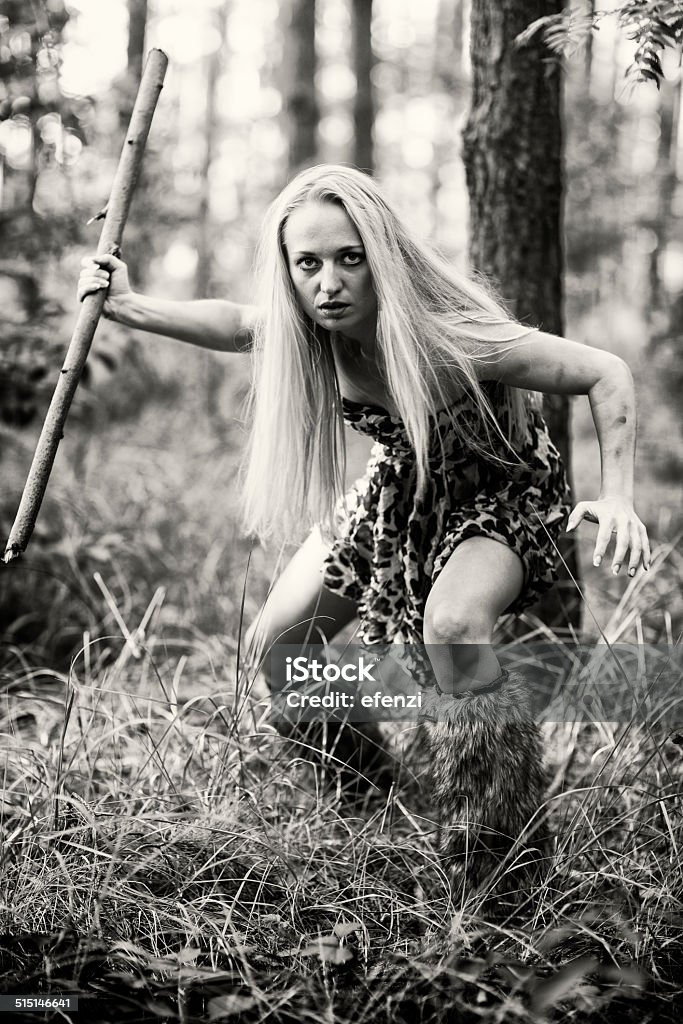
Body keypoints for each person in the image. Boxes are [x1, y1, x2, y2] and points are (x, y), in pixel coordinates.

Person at [78, 164, 650, 881]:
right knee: (280, 645)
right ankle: (368, 790)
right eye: (307, 263)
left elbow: (603, 371)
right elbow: (234, 323)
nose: (329, 283)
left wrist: (618, 494)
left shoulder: (452, 336)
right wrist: (129, 307)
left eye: (349, 258)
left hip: (497, 495)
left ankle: (497, 837)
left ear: (381, 254)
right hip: (397, 491)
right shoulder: (307, 332)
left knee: (452, 625)